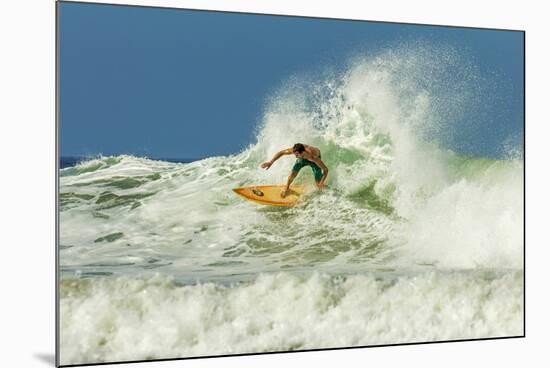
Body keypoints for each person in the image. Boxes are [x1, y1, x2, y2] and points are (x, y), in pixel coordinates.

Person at [261, 143, 329, 198]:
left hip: (314, 162)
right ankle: (287, 189)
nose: (295, 156)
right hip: (302, 159)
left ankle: (327, 190)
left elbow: (325, 170)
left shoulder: (314, 157)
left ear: (302, 152)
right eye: (295, 154)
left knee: (318, 184)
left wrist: (322, 182)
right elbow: (282, 153)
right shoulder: (296, 150)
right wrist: (270, 162)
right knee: (293, 174)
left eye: (297, 155)